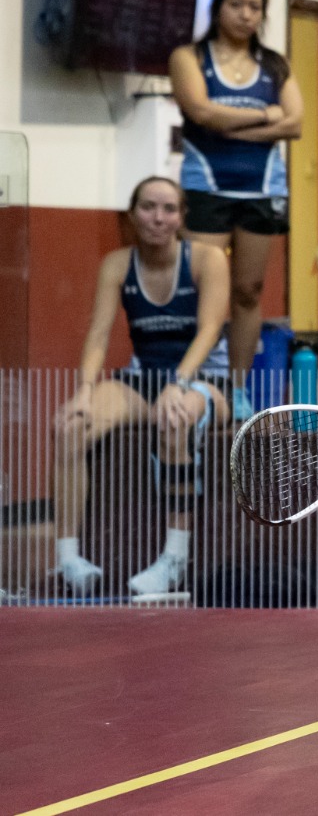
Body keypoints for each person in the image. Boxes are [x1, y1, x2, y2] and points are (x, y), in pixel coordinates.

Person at [50, 178, 230, 596]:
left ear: (182, 217)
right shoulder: (117, 264)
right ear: (132, 214)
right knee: (70, 425)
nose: (158, 217)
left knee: (174, 418)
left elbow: (209, 330)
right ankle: (69, 559)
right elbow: (97, 335)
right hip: (141, 379)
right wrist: (84, 392)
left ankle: (174, 559)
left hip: (204, 381)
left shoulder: (207, 259)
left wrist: (179, 383)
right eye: (148, 207)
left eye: (169, 209)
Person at [168, 0, 301, 385]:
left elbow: (295, 124)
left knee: (248, 292)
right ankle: (188, 381)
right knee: (197, 290)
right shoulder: (189, 58)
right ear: (217, 7)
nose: (246, 14)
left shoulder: (274, 65)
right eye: (236, 4)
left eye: (255, 7)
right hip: (205, 185)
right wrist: (265, 116)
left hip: (261, 188)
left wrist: (232, 126)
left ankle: (239, 389)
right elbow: (201, 112)